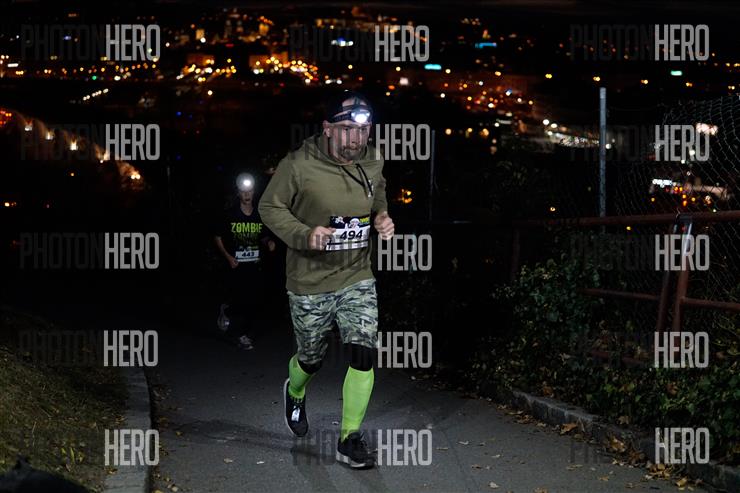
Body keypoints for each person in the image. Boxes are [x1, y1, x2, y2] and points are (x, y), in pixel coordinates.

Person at [259, 90, 394, 469]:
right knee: (311, 358)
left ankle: (350, 439)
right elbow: (269, 206)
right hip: (310, 279)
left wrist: (382, 216)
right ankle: (295, 389)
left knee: (363, 353)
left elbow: (378, 192)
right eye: (347, 129)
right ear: (327, 129)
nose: (356, 138)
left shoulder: (373, 159)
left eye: (363, 130)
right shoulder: (298, 164)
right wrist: (304, 234)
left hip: (356, 273)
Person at [215, 172, 275, 350]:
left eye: (250, 191)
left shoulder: (259, 215)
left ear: (254, 192)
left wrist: (269, 242)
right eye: (243, 191)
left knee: (254, 301)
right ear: (238, 193)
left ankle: (244, 335)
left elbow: (263, 236)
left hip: (254, 265)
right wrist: (228, 257)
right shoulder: (230, 214)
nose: (247, 194)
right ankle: (228, 311)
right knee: (240, 300)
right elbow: (217, 237)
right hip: (236, 265)